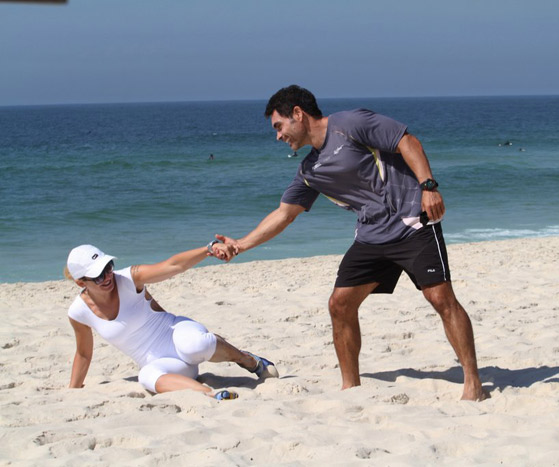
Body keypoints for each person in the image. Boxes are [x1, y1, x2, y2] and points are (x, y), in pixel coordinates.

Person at [217, 85, 486, 401]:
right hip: (372, 236)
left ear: (298, 115)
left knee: (440, 298)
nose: (278, 136)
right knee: (339, 304)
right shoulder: (310, 170)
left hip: (413, 223)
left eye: (279, 126)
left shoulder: (350, 123)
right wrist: (241, 245)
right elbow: (284, 214)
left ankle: (473, 382)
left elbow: (406, 141)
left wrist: (428, 186)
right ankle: (351, 387)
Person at [65, 243, 278, 400]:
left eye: (108, 267)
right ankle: (211, 394)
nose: (108, 276)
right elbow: (83, 353)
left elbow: (173, 265)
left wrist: (208, 250)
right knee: (146, 376)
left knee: (195, 346)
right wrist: (73, 391)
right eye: (99, 276)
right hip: (161, 362)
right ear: (80, 281)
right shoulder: (78, 312)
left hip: (174, 331)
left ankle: (250, 361)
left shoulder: (130, 278)